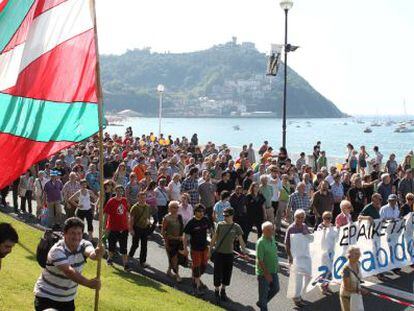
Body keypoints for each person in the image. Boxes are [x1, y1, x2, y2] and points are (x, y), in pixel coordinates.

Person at [34, 217, 103, 311]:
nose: (76, 237)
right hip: (46, 297)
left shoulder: (84, 244)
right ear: (65, 234)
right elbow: (69, 272)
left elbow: (91, 253)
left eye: (79, 233)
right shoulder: (57, 250)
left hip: (67, 300)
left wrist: (97, 253)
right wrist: (88, 283)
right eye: (72, 233)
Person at [210, 207, 246, 305]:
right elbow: (214, 238)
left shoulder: (236, 227)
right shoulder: (220, 225)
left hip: (229, 254)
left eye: (227, 215)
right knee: (217, 272)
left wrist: (245, 252)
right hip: (219, 253)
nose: (225, 217)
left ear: (232, 215)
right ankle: (216, 291)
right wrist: (210, 250)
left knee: (227, 273)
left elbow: (241, 240)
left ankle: (223, 290)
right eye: (224, 215)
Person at [183, 204, 213, 296]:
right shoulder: (191, 222)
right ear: (195, 212)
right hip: (195, 249)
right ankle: (196, 287)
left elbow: (211, 229)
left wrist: (213, 239)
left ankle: (196, 279)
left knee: (203, 267)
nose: (201, 213)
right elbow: (185, 236)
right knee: (196, 267)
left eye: (203, 211)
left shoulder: (205, 219)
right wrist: (185, 248)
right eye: (199, 211)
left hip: (205, 247)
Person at [285, 209, 311, 307]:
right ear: (294, 217)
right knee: (297, 278)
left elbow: (310, 238)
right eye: (298, 217)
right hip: (295, 257)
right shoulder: (291, 228)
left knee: (306, 276)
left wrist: (307, 235)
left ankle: (298, 295)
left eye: (302, 217)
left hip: (304, 256)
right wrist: (290, 256)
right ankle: (296, 298)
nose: (300, 219)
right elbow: (286, 244)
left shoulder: (304, 226)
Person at [104, 185, 130, 270]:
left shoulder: (125, 200)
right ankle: (110, 258)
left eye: (121, 191)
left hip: (124, 228)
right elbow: (106, 214)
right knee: (112, 246)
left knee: (124, 247)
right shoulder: (111, 201)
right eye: (118, 191)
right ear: (115, 191)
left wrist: (128, 225)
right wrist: (105, 226)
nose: (119, 192)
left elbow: (126, 213)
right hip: (113, 228)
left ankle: (125, 265)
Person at [256, 221, 280, 311]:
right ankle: (263, 304)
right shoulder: (260, 243)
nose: (271, 231)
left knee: (276, 288)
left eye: (272, 229)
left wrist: (277, 265)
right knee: (263, 294)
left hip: (273, 270)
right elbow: (260, 260)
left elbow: (274, 253)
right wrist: (266, 274)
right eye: (268, 230)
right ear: (263, 231)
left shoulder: (272, 238)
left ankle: (262, 302)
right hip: (264, 273)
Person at [162, 201, 185, 282]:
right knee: (174, 258)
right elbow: (163, 231)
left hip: (179, 241)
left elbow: (182, 229)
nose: (176, 209)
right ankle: (177, 275)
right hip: (170, 241)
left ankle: (169, 271)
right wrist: (166, 242)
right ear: (169, 208)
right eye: (174, 207)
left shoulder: (180, 216)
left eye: (177, 207)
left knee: (176, 258)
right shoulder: (166, 218)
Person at [339, 246, 368, 311]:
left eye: (359, 253)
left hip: (356, 294)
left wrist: (359, 290)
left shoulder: (358, 263)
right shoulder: (346, 269)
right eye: (356, 254)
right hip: (347, 297)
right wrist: (360, 290)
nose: (358, 255)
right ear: (349, 255)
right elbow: (347, 288)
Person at [128, 191, 152, 268]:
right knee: (135, 244)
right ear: (138, 198)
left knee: (144, 246)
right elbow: (131, 219)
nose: (143, 199)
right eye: (141, 197)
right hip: (137, 228)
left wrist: (149, 222)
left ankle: (142, 261)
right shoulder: (134, 207)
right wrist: (131, 229)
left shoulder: (148, 207)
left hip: (145, 228)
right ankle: (130, 256)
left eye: (144, 197)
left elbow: (148, 217)